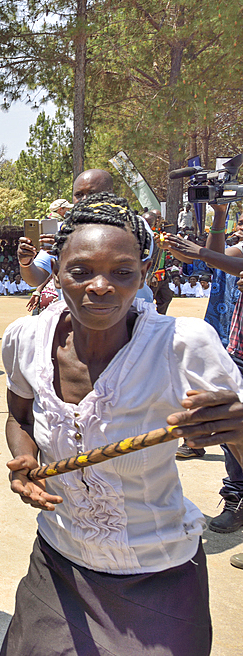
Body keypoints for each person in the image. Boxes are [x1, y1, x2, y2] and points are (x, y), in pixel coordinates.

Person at [0, 192, 243, 655]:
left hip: (160, 574)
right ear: (56, 272)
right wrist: (25, 459)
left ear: (145, 276)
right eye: (81, 271)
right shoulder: (25, 339)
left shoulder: (182, 347)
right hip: (58, 564)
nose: (100, 286)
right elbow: (18, 415)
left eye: (122, 273)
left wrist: (239, 432)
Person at [158, 204, 243, 529]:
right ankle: (236, 497)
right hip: (236, 346)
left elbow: (218, 258)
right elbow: (222, 260)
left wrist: (202, 252)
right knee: (230, 425)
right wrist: (219, 215)